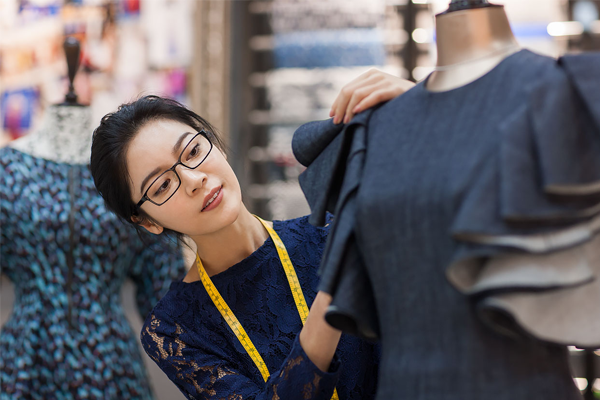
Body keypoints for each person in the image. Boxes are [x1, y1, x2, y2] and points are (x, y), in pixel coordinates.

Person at [89, 70, 414, 400]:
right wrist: (335, 290)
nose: (193, 180)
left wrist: (423, 102)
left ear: (215, 144)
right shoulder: (175, 329)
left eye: (192, 152)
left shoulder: (329, 234)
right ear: (147, 221)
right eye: (162, 185)